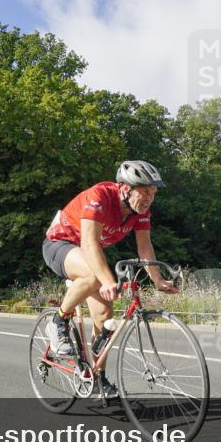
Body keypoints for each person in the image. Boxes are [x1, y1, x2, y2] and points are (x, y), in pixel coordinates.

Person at [42, 160, 179, 398]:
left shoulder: (142, 211)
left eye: (153, 193)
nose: (149, 198)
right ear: (125, 188)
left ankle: (97, 379)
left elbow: (144, 247)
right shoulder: (100, 196)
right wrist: (107, 280)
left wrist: (157, 280)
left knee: (105, 318)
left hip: (88, 253)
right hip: (61, 244)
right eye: (145, 191)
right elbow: (89, 243)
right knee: (93, 276)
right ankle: (58, 320)